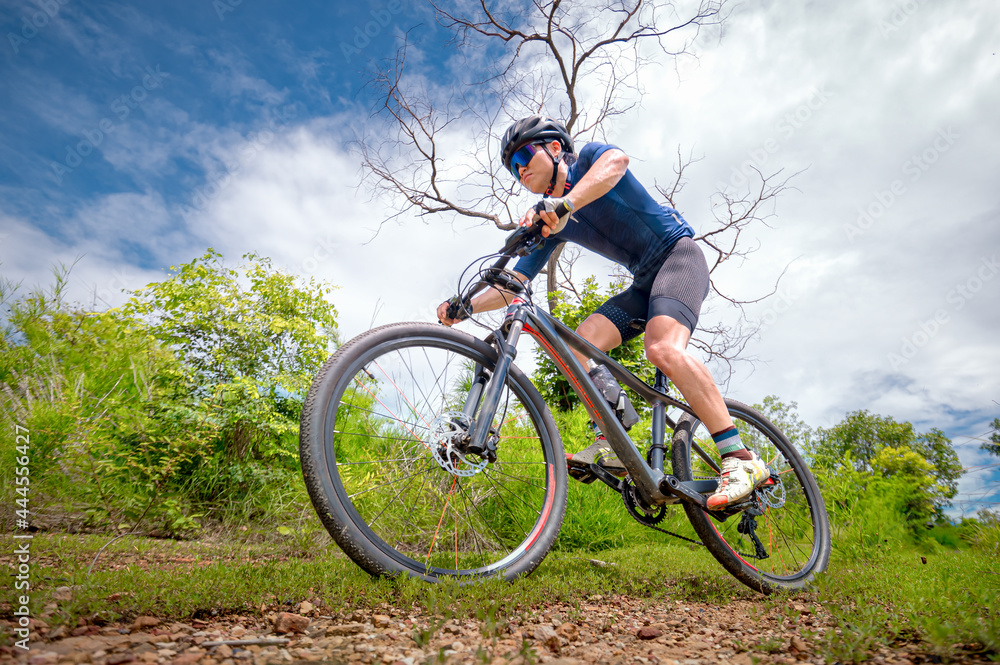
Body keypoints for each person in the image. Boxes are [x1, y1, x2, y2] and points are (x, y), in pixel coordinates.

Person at [436, 115, 768, 509]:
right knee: (578, 345)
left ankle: (740, 458)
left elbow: (617, 164)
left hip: (678, 257)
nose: (520, 169)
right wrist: (466, 305)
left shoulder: (588, 161)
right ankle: (613, 444)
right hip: (644, 282)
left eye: (524, 155)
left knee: (661, 348)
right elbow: (515, 285)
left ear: (555, 148)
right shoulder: (552, 222)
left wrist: (565, 203)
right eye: (513, 168)